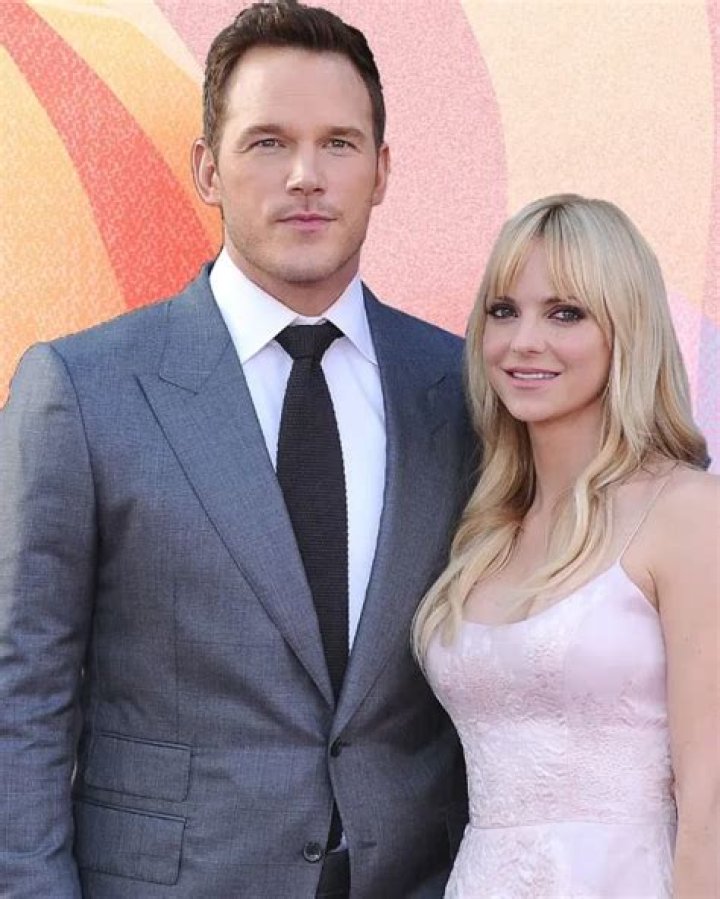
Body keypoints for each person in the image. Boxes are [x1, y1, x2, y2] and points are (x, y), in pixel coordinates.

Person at [0, 4, 474, 897]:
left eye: (338, 143)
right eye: (267, 142)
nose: (305, 175)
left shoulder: (460, 387)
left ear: (381, 171)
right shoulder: (84, 389)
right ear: (208, 168)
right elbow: (20, 696)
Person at [414, 194, 719, 898]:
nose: (524, 341)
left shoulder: (690, 513)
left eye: (565, 313)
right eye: (503, 310)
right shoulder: (485, 531)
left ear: (626, 329)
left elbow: (711, 802)